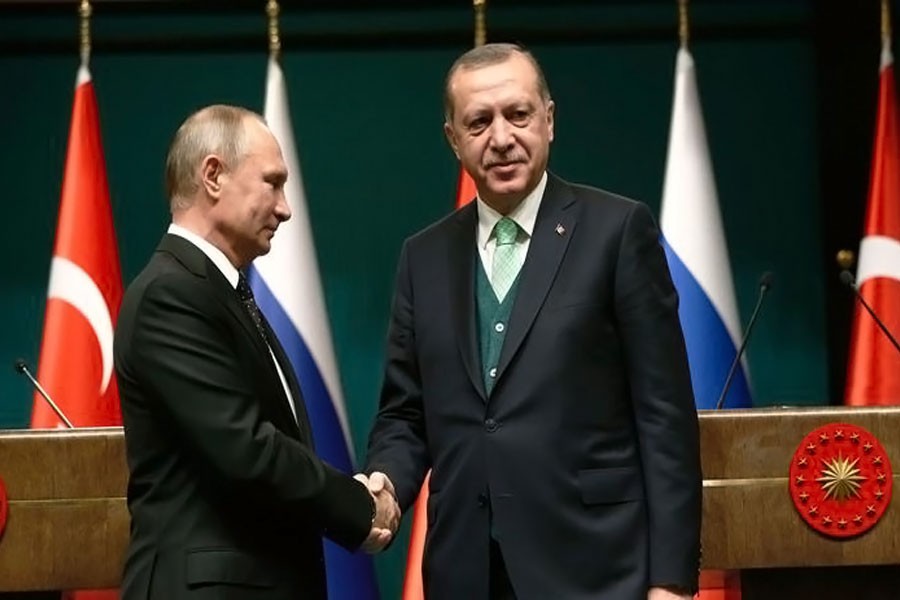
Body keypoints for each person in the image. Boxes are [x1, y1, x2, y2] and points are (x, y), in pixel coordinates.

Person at [363, 44, 701, 599]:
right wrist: (386, 485)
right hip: (465, 571)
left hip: (597, 569)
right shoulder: (422, 257)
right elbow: (406, 412)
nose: (500, 138)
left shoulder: (617, 232)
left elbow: (664, 418)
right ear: (453, 138)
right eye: (479, 122)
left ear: (549, 119)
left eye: (518, 115)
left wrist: (671, 580)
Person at [114, 105, 399, 600]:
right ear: (213, 175)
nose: (285, 207)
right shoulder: (172, 294)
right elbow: (246, 448)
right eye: (272, 182)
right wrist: (356, 505)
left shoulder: (218, 292)